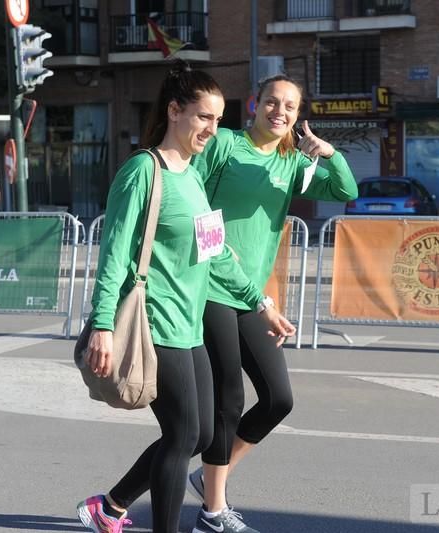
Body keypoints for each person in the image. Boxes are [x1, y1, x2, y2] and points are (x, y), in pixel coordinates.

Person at [75, 63, 295, 533]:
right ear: (175, 111)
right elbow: (113, 253)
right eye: (203, 117)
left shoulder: (194, 177)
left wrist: (261, 303)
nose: (211, 129)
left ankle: (110, 507)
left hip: (190, 325)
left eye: (217, 120)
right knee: (180, 436)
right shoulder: (142, 170)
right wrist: (103, 325)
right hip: (155, 323)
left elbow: (217, 258)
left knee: (206, 434)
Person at [187, 74, 358, 533]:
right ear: (254, 104)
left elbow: (346, 192)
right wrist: (217, 250)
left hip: (252, 296)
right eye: (271, 102)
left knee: (278, 400)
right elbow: (190, 198)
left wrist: (330, 153)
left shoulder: (290, 162)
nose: (279, 111)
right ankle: (214, 512)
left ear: (298, 116)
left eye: (289, 106)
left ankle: (209, 480)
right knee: (229, 398)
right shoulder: (224, 144)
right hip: (210, 287)